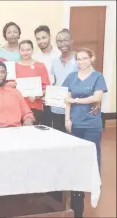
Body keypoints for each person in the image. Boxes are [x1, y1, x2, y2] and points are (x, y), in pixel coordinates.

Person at [63, 48, 107, 218]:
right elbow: (66, 100)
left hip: (91, 123)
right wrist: (67, 119)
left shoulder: (98, 77)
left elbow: (97, 98)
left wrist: (76, 100)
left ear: (91, 58)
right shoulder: (71, 77)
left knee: (93, 153)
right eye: (78, 59)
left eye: (84, 58)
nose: (81, 62)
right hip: (75, 121)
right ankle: (77, 183)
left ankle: (94, 183)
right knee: (75, 154)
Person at [50, 29, 98, 133]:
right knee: (59, 137)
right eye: (59, 41)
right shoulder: (54, 62)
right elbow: (55, 82)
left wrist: (96, 100)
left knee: (74, 138)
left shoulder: (80, 60)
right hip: (57, 107)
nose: (62, 43)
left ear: (72, 41)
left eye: (65, 40)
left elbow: (93, 79)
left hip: (75, 108)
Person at [15, 40, 50, 124]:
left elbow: (47, 88)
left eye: (28, 49)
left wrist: (37, 96)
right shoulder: (14, 66)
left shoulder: (40, 66)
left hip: (35, 106)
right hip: (17, 107)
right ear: (19, 51)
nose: (25, 52)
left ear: (32, 50)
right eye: (22, 50)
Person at [32, 25, 61, 128]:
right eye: (38, 39)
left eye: (44, 37)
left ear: (50, 37)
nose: (41, 41)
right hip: (40, 98)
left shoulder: (59, 54)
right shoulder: (34, 56)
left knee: (58, 128)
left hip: (58, 97)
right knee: (43, 128)